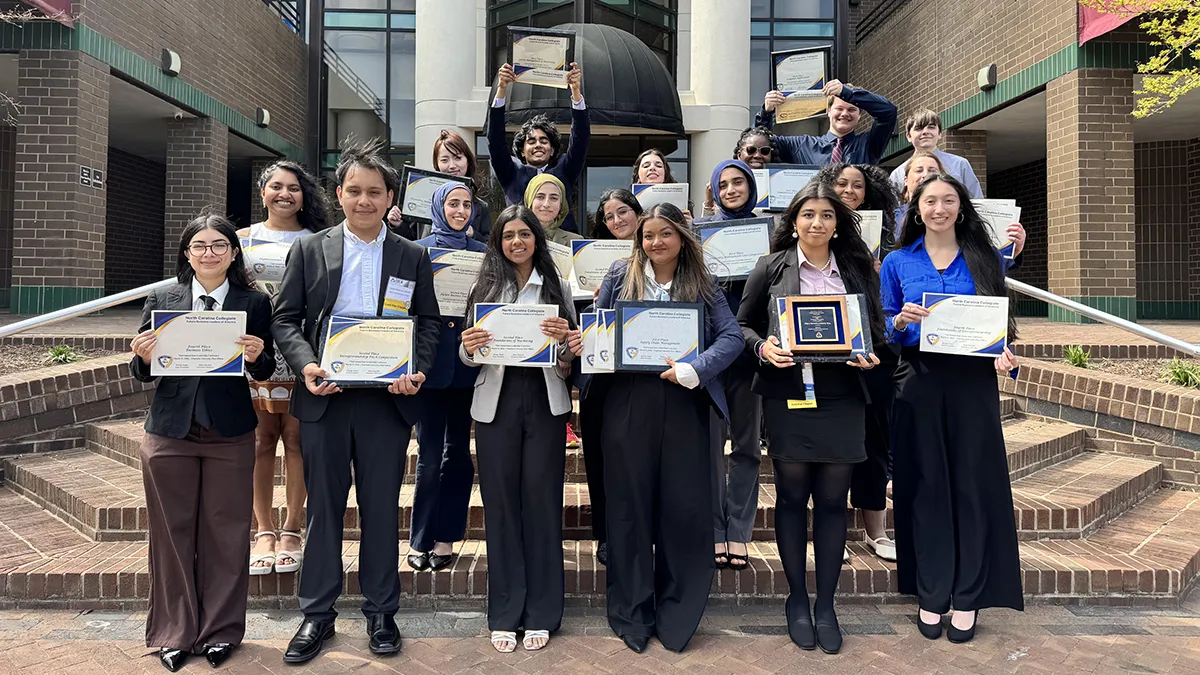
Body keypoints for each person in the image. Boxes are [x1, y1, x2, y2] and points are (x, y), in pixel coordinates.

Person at [272, 139, 441, 664]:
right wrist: (306, 365)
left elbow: (430, 323)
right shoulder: (309, 248)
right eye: (354, 191)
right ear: (339, 194)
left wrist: (418, 369)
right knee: (324, 509)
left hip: (386, 401)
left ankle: (381, 611)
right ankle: (317, 615)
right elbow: (284, 319)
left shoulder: (412, 255)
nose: (363, 201)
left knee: (380, 509)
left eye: (374, 192)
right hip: (327, 396)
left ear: (392, 197)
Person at [575, 202, 742, 653]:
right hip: (627, 403)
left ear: (682, 236)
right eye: (648, 235)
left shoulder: (702, 282)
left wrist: (697, 368)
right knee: (628, 508)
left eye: (665, 234)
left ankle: (677, 609)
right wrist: (584, 341)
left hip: (685, 401)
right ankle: (633, 610)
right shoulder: (618, 275)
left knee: (683, 509)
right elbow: (598, 329)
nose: (656, 243)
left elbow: (731, 337)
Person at [738, 183, 885, 655]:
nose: (817, 223)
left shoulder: (859, 269)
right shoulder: (770, 266)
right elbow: (741, 325)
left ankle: (827, 604)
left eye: (826, 215)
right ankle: (796, 599)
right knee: (791, 498)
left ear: (838, 223)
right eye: (808, 215)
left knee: (831, 501)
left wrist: (869, 353)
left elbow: (876, 329)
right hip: (790, 394)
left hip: (843, 395)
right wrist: (763, 347)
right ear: (794, 221)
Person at [880, 173, 1024, 644]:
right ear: (915, 209)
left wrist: (1007, 358)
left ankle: (968, 596)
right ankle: (931, 591)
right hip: (918, 384)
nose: (938, 208)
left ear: (961, 207)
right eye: (929, 201)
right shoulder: (897, 261)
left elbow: (1002, 325)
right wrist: (899, 320)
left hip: (972, 386)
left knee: (971, 487)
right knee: (924, 490)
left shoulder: (985, 259)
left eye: (948, 200)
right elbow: (884, 327)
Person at [129, 213, 275, 672]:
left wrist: (257, 355)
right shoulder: (163, 298)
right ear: (186, 254)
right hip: (170, 429)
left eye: (218, 245)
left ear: (234, 252)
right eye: (199, 246)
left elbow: (264, 369)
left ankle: (220, 632)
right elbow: (142, 372)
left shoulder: (253, 301)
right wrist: (143, 355)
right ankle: (174, 633)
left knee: (227, 532)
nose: (208, 253)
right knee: (170, 534)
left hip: (228, 430)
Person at [459, 205, 577, 653]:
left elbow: (569, 359)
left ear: (536, 240)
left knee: (543, 504)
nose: (516, 242)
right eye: (508, 235)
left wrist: (565, 342)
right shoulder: (483, 288)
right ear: (498, 242)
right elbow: (470, 358)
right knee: (503, 506)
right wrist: (468, 347)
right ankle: (506, 611)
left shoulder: (558, 286)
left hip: (545, 402)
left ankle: (543, 612)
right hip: (496, 404)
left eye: (524, 234)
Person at [238, 160, 328, 579]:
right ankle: (264, 531)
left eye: (294, 188)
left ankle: (292, 528)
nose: (285, 194)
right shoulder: (240, 240)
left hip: (298, 349)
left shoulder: (320, 241)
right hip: (255, 349)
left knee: (296, 440)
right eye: (276, 187)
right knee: (259, 441)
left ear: (304, 195)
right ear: (263, 192)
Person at [811, 162, 900, 564]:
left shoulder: (886, 238)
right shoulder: (813, 234)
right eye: (841, 184)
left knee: (873, 442)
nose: (849, 190)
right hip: (825, 357)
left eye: (857, 185)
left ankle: (876, 530)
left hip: (873, 353)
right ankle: (834, 531)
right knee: (829, 446)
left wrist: (881, 274)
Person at [407, 182, 487, 573]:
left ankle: (445, 538)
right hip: (430, 363)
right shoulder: (419, 251)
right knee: (429, 453)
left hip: (469, 364)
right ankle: (420, 538)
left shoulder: (483, 253)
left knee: (458, 453)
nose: (460, 210)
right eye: (452, 204)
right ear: (438, 207)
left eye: (466, 204)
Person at [694, 159, 761, 572]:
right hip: (713, 355)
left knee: (748, 448)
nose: (732, 189)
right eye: (724, 183)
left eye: (739, 182)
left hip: (752, 356)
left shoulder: (770, 236)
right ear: (714, 190)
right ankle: (715, 531)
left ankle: (738, 533)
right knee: (710, 449)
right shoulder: (699, 235)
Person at [574, 189, 643, 566]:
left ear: (637, 213)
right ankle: (606, 534)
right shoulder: (594, 257)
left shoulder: (664, 250)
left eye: (623, 212)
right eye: (609, 216)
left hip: (645, 377)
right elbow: (591, 319)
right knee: (601, 460)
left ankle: (637, 532)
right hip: (603, 375)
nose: (617, 221)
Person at [488, 62, 589, 233]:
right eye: (531, 141)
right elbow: (495, 140)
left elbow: (580, 139)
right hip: (520, 244)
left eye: (544, 141)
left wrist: (576, 92)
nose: (538, 145)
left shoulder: (564, 168)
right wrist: (502, 89)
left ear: (552, 149)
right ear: (522, 149)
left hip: (561, 246)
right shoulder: (511, 171)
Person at [757, 79, 897, 166]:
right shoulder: (803, 146)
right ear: (829, 111)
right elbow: (760, 141)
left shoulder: (869, 144)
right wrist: (766, 112)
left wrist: (847, 93)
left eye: (852, 109)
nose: (844, 114)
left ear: (859, 115)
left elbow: (889, 111)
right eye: (839, 108)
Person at [387, 129, 492, 242]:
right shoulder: (421, 201)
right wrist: (398, 225)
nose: (452, 165)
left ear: (468, 161)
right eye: (444, 160)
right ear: (437, 164)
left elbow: (490, 247)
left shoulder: (480, 207)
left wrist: (473, 234)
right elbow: (413, 242)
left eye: (457, 158)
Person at [889, 109, 984, 198]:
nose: (925, 132)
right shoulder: (898, 174)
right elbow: (892, 210)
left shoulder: (960, 165)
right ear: (908, 136)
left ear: (940, 134)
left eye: (931, 127)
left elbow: (978, 202)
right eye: (918, 128)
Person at [700, 128, 778, 218]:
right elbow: (708, 226)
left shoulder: (780, 187)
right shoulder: (722, 181)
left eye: (764, 151)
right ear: (739, 155)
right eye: (751, 150)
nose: (757, 155)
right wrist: (708, 204)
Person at [894, 151, 946, 237]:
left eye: (932, 170)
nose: (925, 174)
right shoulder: (891, 218)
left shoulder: (950, 213)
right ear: (905, 180)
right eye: (919, 170)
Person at [523, 173, 581, 246]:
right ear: (530, 200)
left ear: (561, 204)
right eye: (540, 197)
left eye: (553, 198)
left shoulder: (575, 241)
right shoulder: (518, 239)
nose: (546, 204)